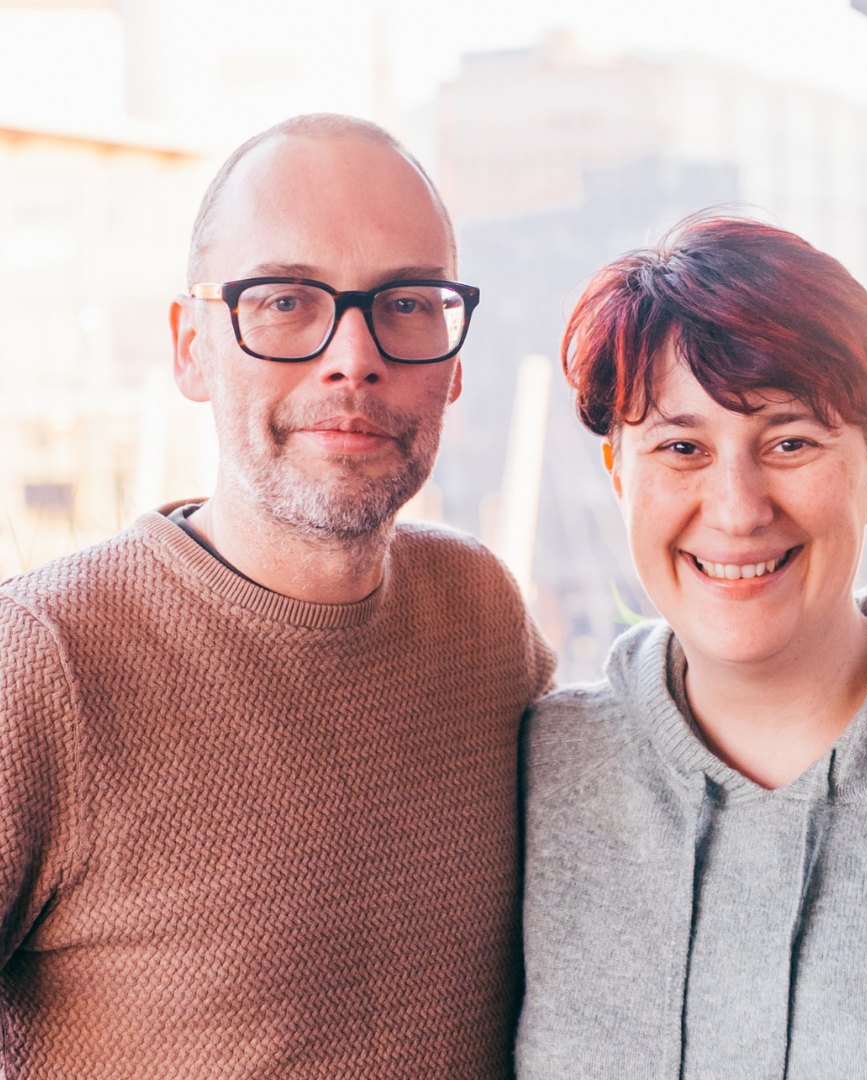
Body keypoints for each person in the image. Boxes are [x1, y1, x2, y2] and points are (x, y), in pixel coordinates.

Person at [0, 113, 554, 1080]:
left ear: (455, 362)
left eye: (408, 303)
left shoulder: (483, 617)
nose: (353, 356)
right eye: (287, 300)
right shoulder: (41, 662)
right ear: (191, 348)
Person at [517, 215, 867, 1078]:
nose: (738, 508)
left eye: (790, 442)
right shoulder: (539, 776)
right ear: (618, 472)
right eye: (681, 447)